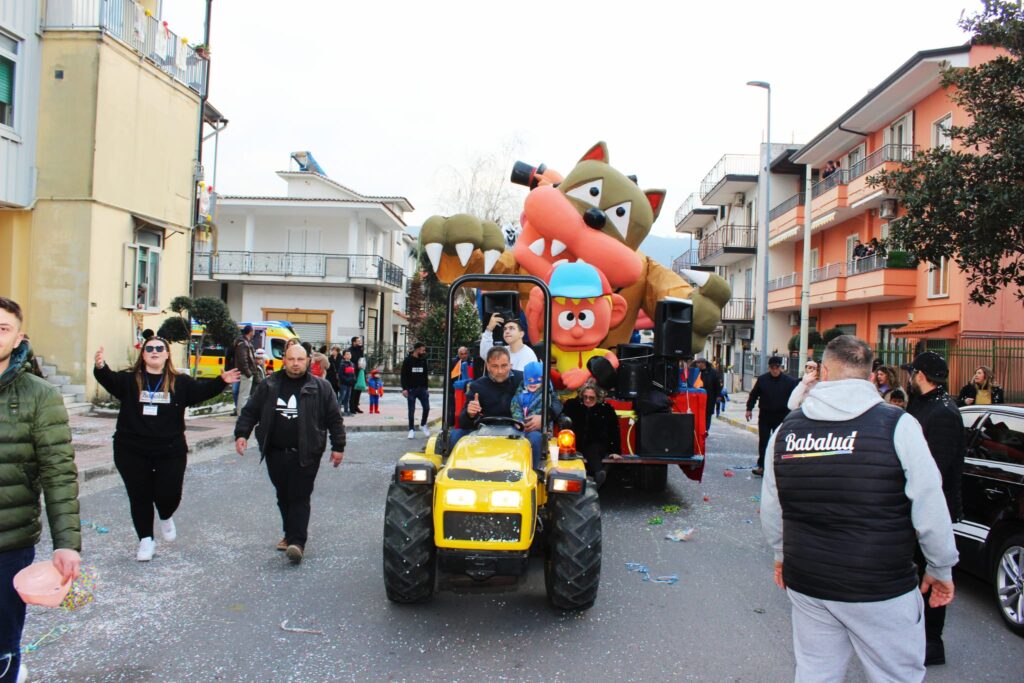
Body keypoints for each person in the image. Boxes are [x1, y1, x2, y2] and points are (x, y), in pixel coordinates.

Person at [760, 335, 958, 683]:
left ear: (822, 371)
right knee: (895, 676)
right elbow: (930, 505)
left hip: (809, 582)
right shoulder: (899, 426)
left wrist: (780, 554)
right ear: (870, 376)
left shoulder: (786, 432)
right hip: (880, 586)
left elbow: (773, 505)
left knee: (816, 673)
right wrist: (940, 566)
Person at [94, 338, 240, 561]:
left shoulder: (180, 382)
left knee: (169, 493)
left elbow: (200, 392)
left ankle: (165, 513)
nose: (154, 351)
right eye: (149, 349)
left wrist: (221, 381)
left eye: (159, 348)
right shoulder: (129, 380)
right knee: (139, 495)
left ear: (167, 355)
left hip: (169, 449)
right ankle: (146, 541)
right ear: (143, 355)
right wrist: (101, 366)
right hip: (131, 448)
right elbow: (109, 380)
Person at [0, 298, 81, 683]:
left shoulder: (39, 395)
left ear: (18, 339)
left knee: (2, 640)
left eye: (3, 328)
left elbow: (58, 472)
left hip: (8, 543)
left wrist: (66, 543)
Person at [234, 343, 345, 564]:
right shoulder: (269, 385)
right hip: (275, 452)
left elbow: (334, 419)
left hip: (307, 452)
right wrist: (242, 434)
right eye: (291, 359)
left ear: (308, 361)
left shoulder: (321, 388)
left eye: (300, 359)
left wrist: (338, 446)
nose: (296, 363)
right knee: (283, 495)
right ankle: (289, 533)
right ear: (284, 360)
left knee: (299, 495)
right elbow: (251, 411)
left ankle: (297, 542)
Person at [904, 351, 966, 666]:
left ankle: (931, 642)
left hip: (932, 510)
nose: (908, 378)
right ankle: (916, 635)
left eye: (911, 373)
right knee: (917, 577)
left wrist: (921, 517)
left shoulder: (942, 413)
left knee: (932, 576)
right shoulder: (925, 406)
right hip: (919, 508)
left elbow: (936, 472)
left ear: (922, 376)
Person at [453, 348, 555, 471]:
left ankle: (533, 473)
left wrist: (544, 417)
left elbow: (554, 400)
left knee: (535, 438)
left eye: (504, 365)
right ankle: (458, 474)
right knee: (456, 435)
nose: (500, 371)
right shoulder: (477, 386)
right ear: (488, 366)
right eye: (495, 366)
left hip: (520, 431)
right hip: (486, 432)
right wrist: (470, 413)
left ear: (510, 364)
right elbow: (464, 422)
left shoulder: (524, 379)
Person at [746, 355, 799, 477]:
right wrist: (749, 409)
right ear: (769, 368)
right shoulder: (762, 380)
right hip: (765, 415)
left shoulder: (789, 381)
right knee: (764, 441)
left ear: (781, 368)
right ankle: (762, 466)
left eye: (777, 367)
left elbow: (795, 399)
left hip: (781, 416)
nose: (774, 370)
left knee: (778, 442)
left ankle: (777, 466)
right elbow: (753, 395)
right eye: (772, 367)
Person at [561, 379, 620, 486]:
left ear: (597, 397)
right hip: (574, 443)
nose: (587, 400)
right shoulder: (572, 405)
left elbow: (614, 430)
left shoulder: (606, 409)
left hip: (597, 443)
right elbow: (562, 418)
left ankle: (598, 475)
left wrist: (615, 451)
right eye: (585, 397)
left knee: (593, 451)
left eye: (591, 398)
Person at [509, 361, 562, 470]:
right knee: (511, 437)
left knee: (535, 438)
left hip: (540, 430)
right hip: (522, 428)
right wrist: (518, 421)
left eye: (538, 380)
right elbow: (515, 408)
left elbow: (555, 407)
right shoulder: (519, 395)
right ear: (525, 380)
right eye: (530, 380)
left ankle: (535, 468)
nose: (533, 383)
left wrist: (545, 422)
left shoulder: (547, 395)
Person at [401, 342, 431, 439]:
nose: (424, 352)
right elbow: (403, 376)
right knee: (411, 410)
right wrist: (404, 389)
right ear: (417, 349)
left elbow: (425, 375)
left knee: (426, 407)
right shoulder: (407, 361)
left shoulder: (423, 360)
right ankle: (411, 430)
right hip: (411, 389)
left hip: (422, 389)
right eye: (422, 350)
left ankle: (423, 424)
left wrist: (426, 388)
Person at [232, 325, 258, 416]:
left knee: (241, 394)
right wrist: (248, 373)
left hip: (242, 372)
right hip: (244, 373)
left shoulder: (244, 342)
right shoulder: (243, 343)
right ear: (250, 332)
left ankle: (241, 413)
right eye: (253, 330)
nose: (254, 332)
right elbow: (243, 360)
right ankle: (241, 415)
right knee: (243, 395)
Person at [447, 346, 474, 426]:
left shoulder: (471, 362)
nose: (464, 356)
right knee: (454, 409)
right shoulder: (453, 362)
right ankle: (452, 424)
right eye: (461, 354)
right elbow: (449, 377)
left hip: (468, 389)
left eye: (465, 353)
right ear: (458, 354)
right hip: (455, 389)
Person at [694, 357, 720, 432]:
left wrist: (718, 395)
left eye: (699, 363)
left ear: (703, 363)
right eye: (697, 363)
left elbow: (717, 384)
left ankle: (706, 429)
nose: (697, 364)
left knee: (707, 414)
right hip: (697, 397)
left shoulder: (712, 372)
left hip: (710, 397)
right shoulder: (696, 371)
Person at [346, 336, 364, 414]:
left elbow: (362, 359)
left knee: (359, 390)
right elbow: (350, 362)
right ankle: (352, 407)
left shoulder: (360, 350)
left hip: (360, 372)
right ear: (354, 342)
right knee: (353, 391)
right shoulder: (349, 351)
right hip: (353, 373)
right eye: (358, 341)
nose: (360, 342)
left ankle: (356, 406)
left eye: (360, 341)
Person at [337, 350, 356, 416]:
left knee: (347, 398)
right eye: (347, 354)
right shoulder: (342, 364)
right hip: (343, 384)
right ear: (344, 356)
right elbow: (340, 375)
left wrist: (353, 380)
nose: (349, 355)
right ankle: (337, 411)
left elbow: (353, 374)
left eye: (350, 354)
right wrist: (347, 380)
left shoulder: (352, 364)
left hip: (349, 384)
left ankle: (346, 411)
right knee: (342, 397)